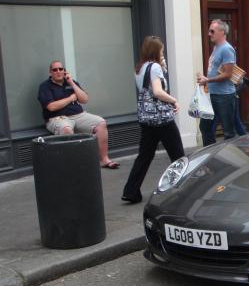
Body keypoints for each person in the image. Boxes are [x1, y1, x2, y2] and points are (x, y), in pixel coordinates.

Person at [121, 36, 184, 204]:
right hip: (162, 119)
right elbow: (157, 92)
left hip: (147, 119)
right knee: (178, 155)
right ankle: (184, 188)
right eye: (161, 50)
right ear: (156, 51)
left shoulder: (139, 68)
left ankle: (130, 190)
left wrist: (162, 67)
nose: (163, 53)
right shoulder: (155, 67)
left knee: (144, 156)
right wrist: (174, 100)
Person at [37, 60, 119, 169]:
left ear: (64, 71)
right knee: (66, 130)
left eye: (61, 69)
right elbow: (51, 107)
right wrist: (70, 98)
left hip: (79, 115)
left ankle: (104, 160)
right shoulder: (45, 86)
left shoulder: (71, 82)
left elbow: (84, 99)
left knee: (101, 123)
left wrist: (71, 82)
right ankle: (73, 165)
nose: (58, 71)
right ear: (50, 72)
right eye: (55, 70)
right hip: (57, 118)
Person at [196, 19, 238, 143]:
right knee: (205, 127)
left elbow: (228, 74)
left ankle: (231, 160)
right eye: (209, 31)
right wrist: (206, 81)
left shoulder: (227, 49)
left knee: (228, 132)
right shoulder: (216, 48)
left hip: (224, 96)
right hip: (212, 94)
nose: (209, 33)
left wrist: (208, 79)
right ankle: (210, 155)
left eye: (212, 31)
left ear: (222, 32)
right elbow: (216, 69)